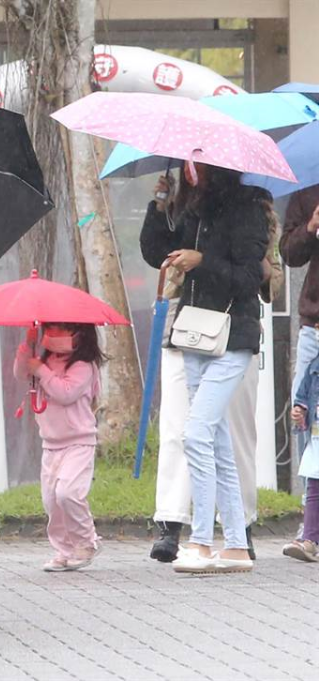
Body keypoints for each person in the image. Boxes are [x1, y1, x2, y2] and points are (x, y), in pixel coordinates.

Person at [140, 162, 268, 575]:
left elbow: (251, 278)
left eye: (198, 166)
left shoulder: (250, 208)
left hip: (233, 335)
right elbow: (159, 253)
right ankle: (233, 545)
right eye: (186, 167)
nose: (191, 173)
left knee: (196, 433)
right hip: (193, 333)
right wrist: (158, 206)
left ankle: (199, 540)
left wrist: (203, 259)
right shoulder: (193, 208)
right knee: (214, 439)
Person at [14, 323, 103, 571]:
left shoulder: (83, 367)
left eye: (61, 329)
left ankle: (86, 542)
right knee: (52, 500)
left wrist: (41, 370)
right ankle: (64, 549)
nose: (54, 335)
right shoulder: (45, 360)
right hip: (51, 444)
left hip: (79, 441)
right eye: (49, 329)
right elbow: (21, 373)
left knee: (68, 493)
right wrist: (27, 346)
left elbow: (65, 393)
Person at [279, 184, 319, 544]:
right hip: (314, 327)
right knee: (304, 416)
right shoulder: (307, 191)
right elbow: (288, 254)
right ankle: (311, 522)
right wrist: (311, 227)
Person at [287, 359, 319, 562]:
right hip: (317, 436)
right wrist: (300, 411)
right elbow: (302, 397)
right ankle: (309, 540)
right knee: (314, 490)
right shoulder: (314, 366)